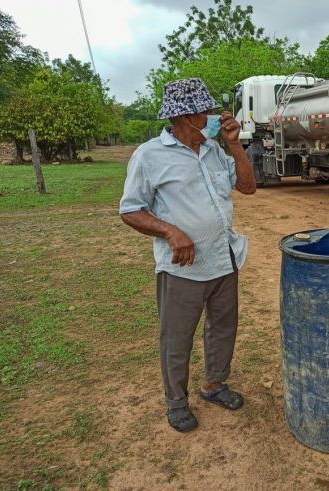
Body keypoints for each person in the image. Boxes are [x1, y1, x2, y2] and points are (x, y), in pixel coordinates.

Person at [119, 78, 256, 432]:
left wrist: (234, 145)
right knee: (177, 337)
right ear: (183, 116)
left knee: (223, 327)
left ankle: (213, 385)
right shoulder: (149, 155)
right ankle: (176, 402)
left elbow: (247, 186)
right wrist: (170, 231)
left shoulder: (213, 150)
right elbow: (131, 210)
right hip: (184, 267)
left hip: (224, 259)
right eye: (205, 111)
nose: (212, 116)